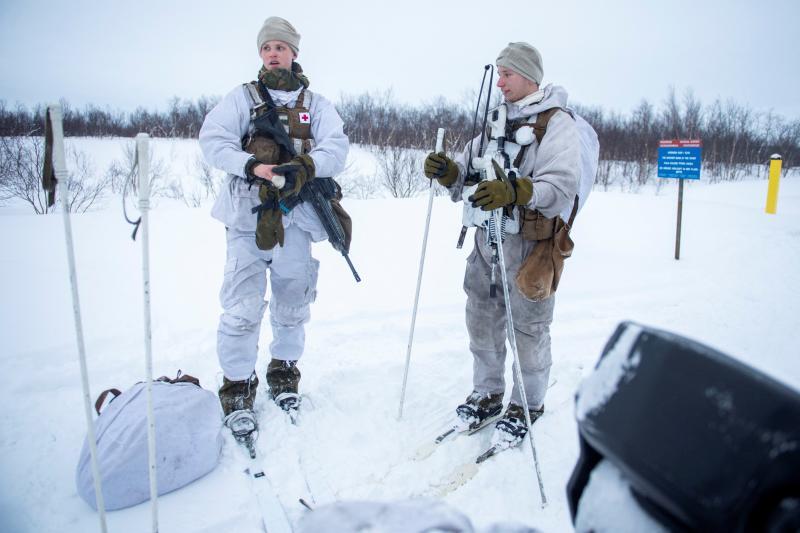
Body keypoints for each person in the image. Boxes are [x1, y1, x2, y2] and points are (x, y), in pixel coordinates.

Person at [423, 42, 580, 449]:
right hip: (485, 245)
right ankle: (487, 392)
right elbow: (468, 183)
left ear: (529, 75)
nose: (500, 80)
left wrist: (516, 189)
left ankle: (528, 403)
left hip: (529, 248)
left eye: (507, 73)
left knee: (528, 328)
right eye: (498, 72)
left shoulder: (555, 124)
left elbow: (562, 186)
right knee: (481, 319)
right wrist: (449, 173)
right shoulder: (495, 122)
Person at [199, 16, 348, 436]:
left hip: (297, 217)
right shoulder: (242, 98)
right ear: (261, 54)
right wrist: (251, 166)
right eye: (267, 48)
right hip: (248, 216)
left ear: (294, 53)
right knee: (242, 307)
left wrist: (306, 165)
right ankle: (237, 386)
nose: (273, 53)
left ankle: (283, 375)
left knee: (292, 303)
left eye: (280, 47)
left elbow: (336, 147)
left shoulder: (316, 104)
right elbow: (213, 140)